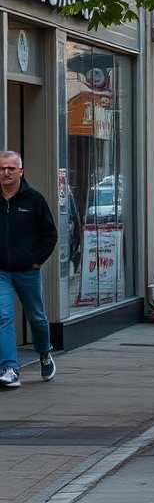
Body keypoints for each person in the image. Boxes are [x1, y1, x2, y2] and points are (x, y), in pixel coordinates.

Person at [0, 151, 58, 387]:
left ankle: (44, 353)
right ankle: (10, 367)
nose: (5, 173)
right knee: (3, 316)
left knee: (37, 317)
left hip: (28, 272)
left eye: (10, 168)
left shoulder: (34, 199)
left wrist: (35, 261)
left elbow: (50, 234)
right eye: (2, 168)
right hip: (1, 272)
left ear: (21, 171)